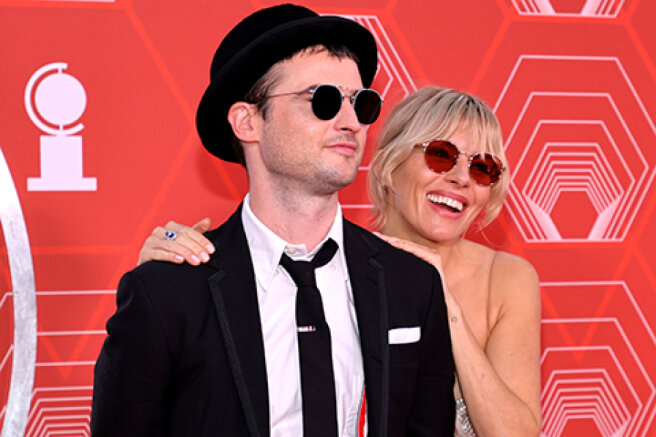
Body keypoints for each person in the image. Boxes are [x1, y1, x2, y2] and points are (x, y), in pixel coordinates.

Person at [91, 4, 455, 437]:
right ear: (248, 122)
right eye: (322, 100)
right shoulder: (167, 294)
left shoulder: (410, 284)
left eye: (362, 103)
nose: (351, 122)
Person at [141, 87, 542, 436]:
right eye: (440, 155)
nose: (461, 178)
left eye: (483, 168)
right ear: (389, 165)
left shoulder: (506, 279)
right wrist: (165, 273)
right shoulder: (328, 264)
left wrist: (443, 306)